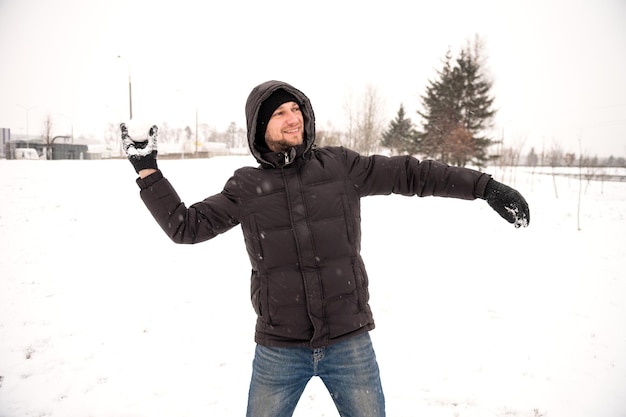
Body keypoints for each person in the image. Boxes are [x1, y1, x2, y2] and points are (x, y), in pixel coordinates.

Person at [121, 80, 530, 417]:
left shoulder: (339, 168)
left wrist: (483, 187)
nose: (292, 117)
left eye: (296, 108)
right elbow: (185, 227)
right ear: (259, 127)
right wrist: (147, 171)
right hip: (279, 348)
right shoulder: (246, 187)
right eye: (280, 112)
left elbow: (411, 174)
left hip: (348, 339)